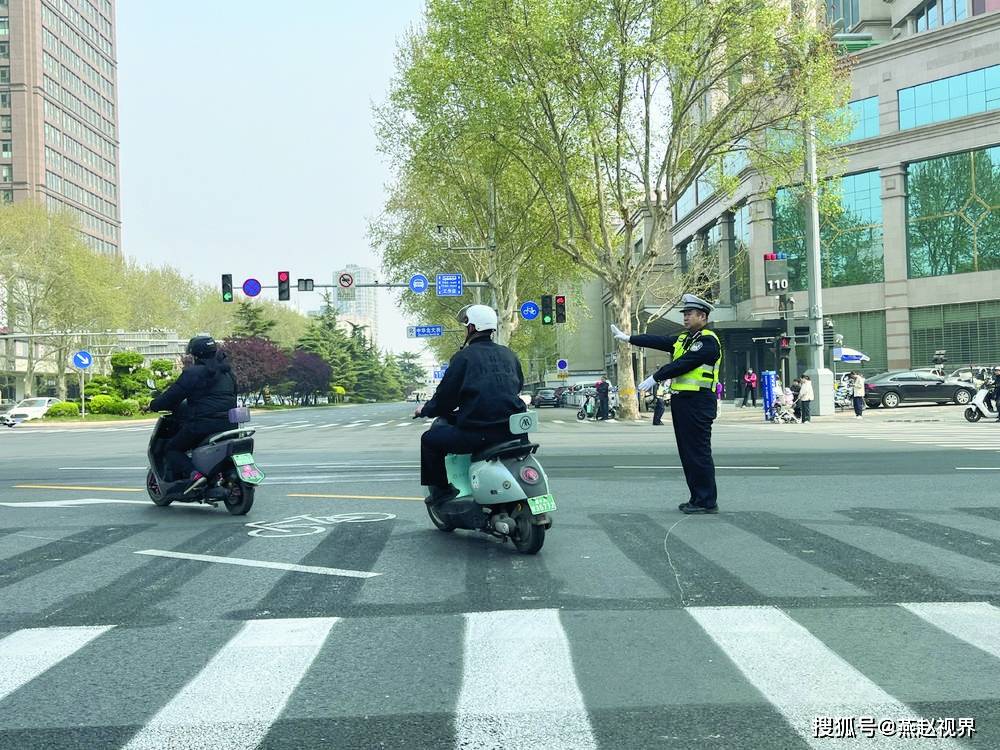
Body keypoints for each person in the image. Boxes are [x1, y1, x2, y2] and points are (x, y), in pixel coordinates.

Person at [612, 293, 722, 514]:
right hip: (683, 402)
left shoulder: (708, 341)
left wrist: (656, 377)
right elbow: (658, 341)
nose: (685, 317)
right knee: (688, 453)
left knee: (698, 452)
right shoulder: (684, 339)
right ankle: (696, 498)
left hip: (699, 402)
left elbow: (685, 363)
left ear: (703, 316)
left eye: (690, 314)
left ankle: (707, 501)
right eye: (685, 314)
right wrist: (629, 338)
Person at [415, 304, 526, 505]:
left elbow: (445, 400)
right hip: (514, 433)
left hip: (479, 434)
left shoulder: (463, 358)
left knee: (429, 440)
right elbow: (518, 386)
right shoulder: (509, 354)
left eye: (466, 326)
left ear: (472, 328)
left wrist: (425, 409)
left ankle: (441, 492)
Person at [148, 336, 238, 485]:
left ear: (195, 354)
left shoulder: (193, 373)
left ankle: (194, 474)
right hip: (229, 424)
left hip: (202, 425)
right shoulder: (227, 372)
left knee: (171, 449)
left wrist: (153, 405)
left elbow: (171, 397)